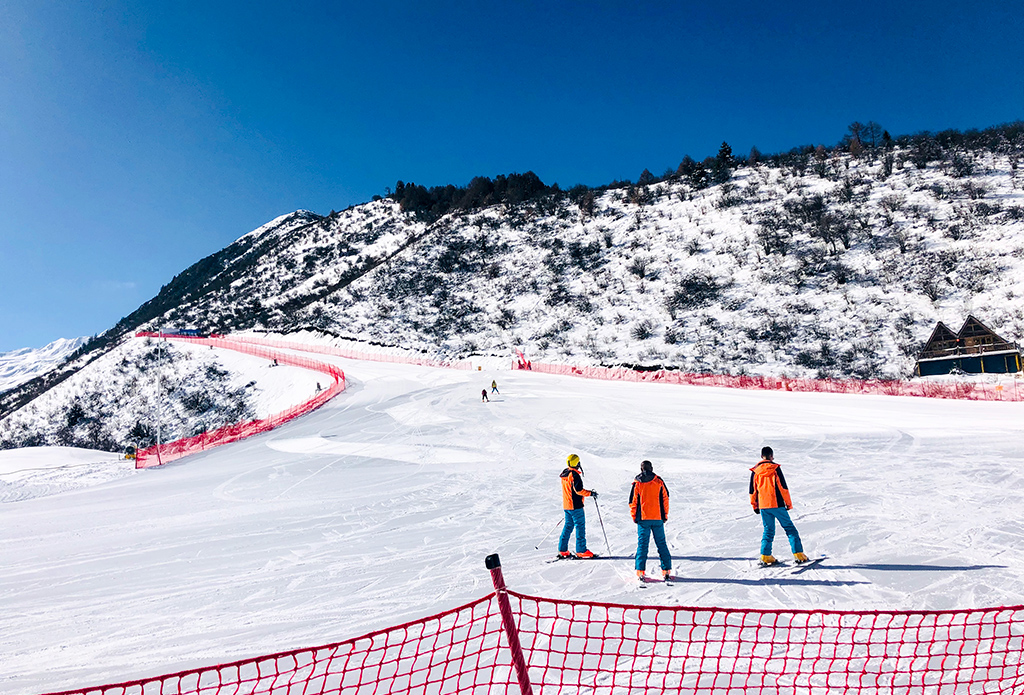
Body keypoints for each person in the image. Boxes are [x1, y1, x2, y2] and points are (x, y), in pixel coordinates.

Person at [749, 446, 808, 565]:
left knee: (768, 530)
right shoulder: (775, 468)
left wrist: (755, 505)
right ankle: (799, 554)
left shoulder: (755, 471)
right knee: (790, 528)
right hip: (777, 504)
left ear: (762, 456)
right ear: (771, 456)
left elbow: (752, 490)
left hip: (764, 506)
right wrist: (788, 504)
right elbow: (783, 487)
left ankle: (765, 555)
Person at [629, 460, 672, 580]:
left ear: (641, 469)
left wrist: (634, 517)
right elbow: (665, 499)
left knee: (642, 545)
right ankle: (666, 570)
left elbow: (633, 502)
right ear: (651, 468)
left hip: (643, 519)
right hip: (657, 518)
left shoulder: (637, 483)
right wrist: (665, 516)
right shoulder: (659, 481)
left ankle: (640, 571)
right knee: (661, 544)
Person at [558, 454, 597, 558]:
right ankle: (581, 550)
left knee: (568, 526)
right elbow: (579, 490)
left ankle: (562, 549)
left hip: (567, 505)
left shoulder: (565, 473)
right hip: (575, 506)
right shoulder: (574, 475)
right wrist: (590, 493)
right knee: (580, 527)